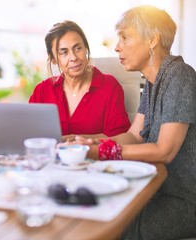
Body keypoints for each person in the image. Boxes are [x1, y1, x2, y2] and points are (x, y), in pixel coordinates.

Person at [76, 5, 196, 239]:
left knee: (114, 227)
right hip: (154, 188)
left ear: (152, 40)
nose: (117, 46)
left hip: (184, 200)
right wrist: (96, 142)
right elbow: (134, 135)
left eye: (125, 37)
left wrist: (103, 152)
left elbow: (165, 151)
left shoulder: (180, 76)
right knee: (92, 208)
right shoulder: (153, 82)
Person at [29, 20, 131, 142]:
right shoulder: (42, 91)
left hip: (97, 160)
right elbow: (29, 134)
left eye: (78, 48)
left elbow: (120, 137)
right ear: (53, 59)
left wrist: (79, 140)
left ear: (86, 49)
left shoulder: (109, 86)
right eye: (64, 52)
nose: (73, 58)